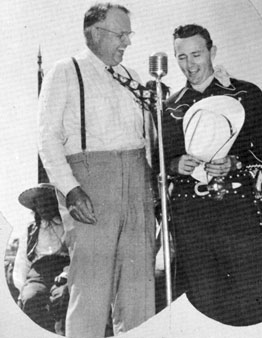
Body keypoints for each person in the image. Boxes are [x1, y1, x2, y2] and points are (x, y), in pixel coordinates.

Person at [162, 24, 262, 326]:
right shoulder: (170, 107)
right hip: (190, 218)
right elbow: (158, 166)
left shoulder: (245, 93)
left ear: (212, 51)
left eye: (196, 54)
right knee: (203, 299)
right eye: (181, 57)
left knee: (252, 296)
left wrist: (235, 163)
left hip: (237, 211)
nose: (190, 64)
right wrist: (174, 165)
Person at [37, 3, 156, 337]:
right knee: (90, 288)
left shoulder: (131, 76)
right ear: (94, 33)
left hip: (137, 180)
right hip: (91, 183)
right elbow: (47, 139)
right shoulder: (65, 70)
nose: (127, 42)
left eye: (128, 34)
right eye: (121, 34)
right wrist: (71, 189)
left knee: (139, 289)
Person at [12, 184, 70, 335]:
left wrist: (68, 273)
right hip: (39, 272)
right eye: (38, 204)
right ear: (34, 207)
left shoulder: (68, 225)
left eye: (47, 203)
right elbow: (22, 261)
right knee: (31, 298)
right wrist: (22, 288)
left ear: (55, 203)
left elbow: (77, 253)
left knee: (64, 295)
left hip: (64, 269)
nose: (43, 208)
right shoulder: (31, 229)